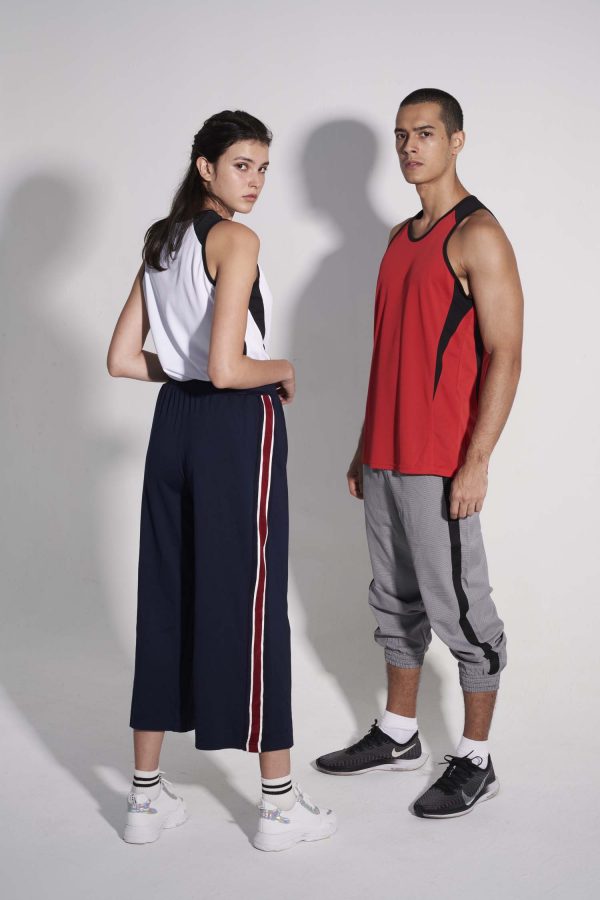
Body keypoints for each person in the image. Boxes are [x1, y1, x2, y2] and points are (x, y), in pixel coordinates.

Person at [107, 110, 336, 850]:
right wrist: (286, 368)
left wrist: (185, 369)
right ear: (204, 166)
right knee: (255, 601)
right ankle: (278, 807)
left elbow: (122, 358)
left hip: (174, 422)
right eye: (242, 165)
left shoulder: (161, 239)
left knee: (166, 594)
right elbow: (230, 368)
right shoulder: (235, 240)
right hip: (236, 428)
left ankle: (144, 799)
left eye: (263, 167)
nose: (256, 181)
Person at [316, 89, 523, 819]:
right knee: (394, 601)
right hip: (385, 455)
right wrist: (364, 444)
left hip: (439, 460)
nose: (410, 147)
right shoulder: (398, 238)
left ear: (457, 141)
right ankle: (399, 734)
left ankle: (476, 759)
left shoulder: (478, 234)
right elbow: (391, 353)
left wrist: (477, 459)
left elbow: (505, 353)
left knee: (461, 609)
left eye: (426, 133)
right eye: (402, 134)